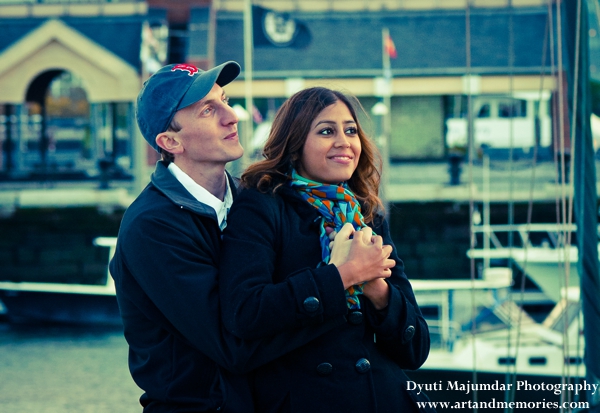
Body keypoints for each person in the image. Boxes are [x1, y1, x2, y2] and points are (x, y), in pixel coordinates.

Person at [109, 62, 396, 412]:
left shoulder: (254, 202)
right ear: (170, 141)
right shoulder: (152, 227)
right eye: (208, 110)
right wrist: (341, 280)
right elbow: (234, 346)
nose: (232, 116)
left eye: (225, 101)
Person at [219, 86, 433, 412]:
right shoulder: (261, 206)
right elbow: (245, 313)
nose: (344, 141)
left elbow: (415, 350)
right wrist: (342, 276)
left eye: (351, 130)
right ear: (294, 145)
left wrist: (376, 288)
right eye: (326, 131)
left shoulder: (367, 214)